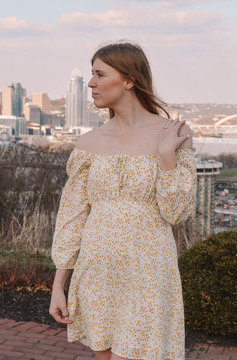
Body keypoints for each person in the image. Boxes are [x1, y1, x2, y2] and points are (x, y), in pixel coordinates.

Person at [49, 41, 197, 360]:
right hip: (96, 272)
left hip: (147, 273)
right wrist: (58, 285)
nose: (91, 83)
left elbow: (175, 212)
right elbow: (72, 217)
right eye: (91, 75)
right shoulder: (88, 143)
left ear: (129, 80)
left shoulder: (175, 133)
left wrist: (167, 154)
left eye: (100, 74)